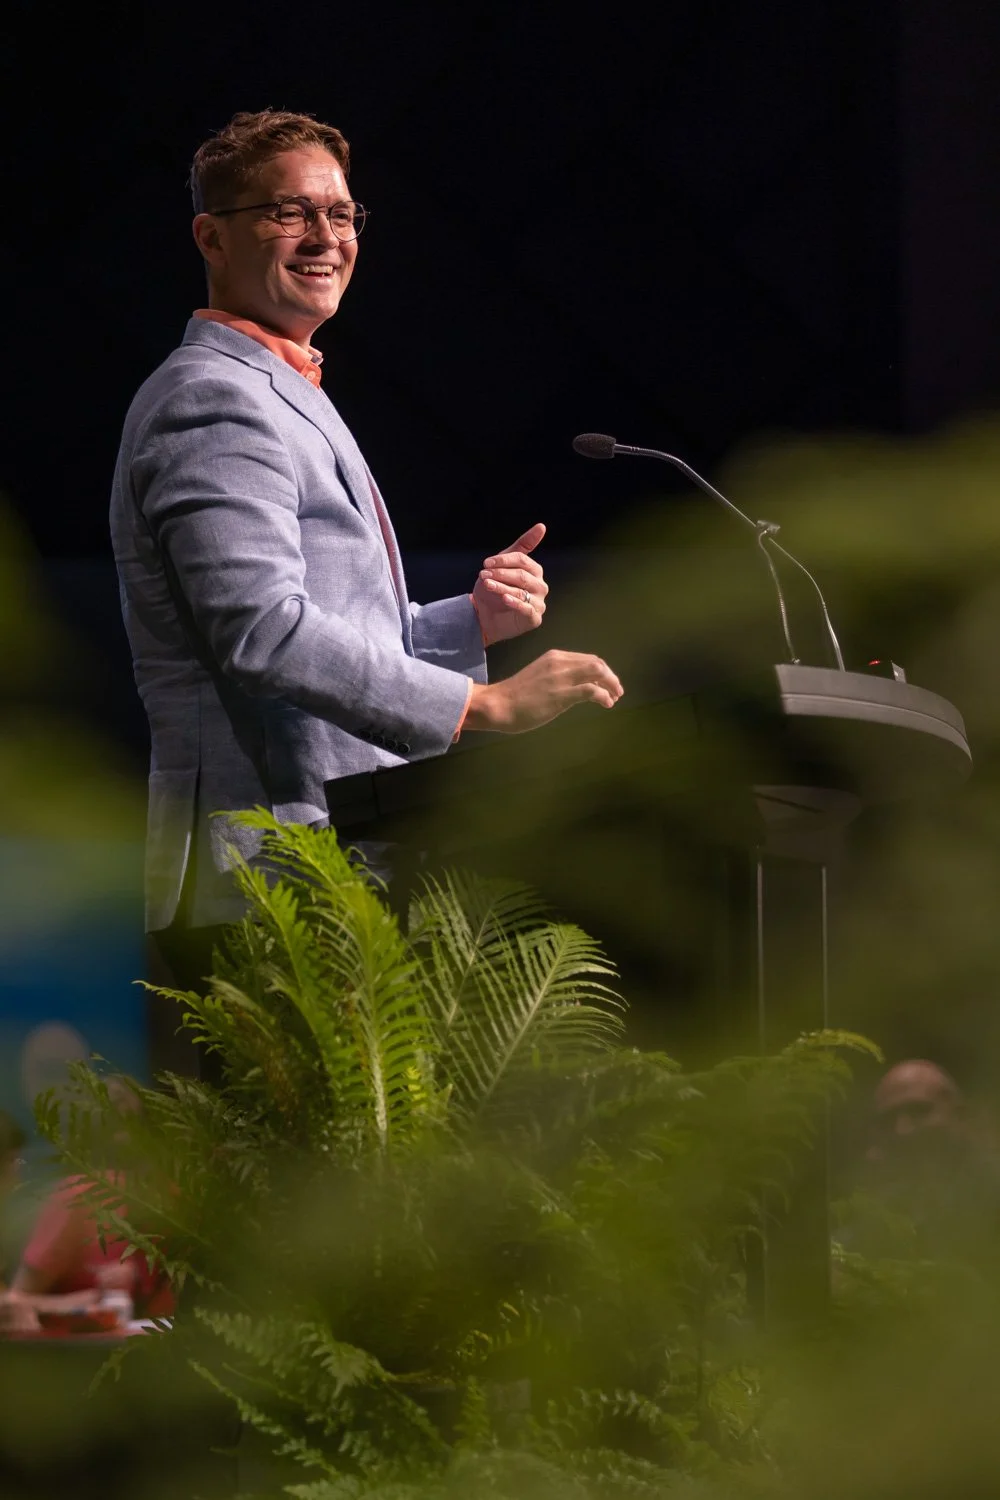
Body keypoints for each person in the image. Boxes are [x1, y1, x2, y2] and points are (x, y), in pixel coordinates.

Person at [109, 109, 624, 1016]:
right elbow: (263, 632)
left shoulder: (279, 386)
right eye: (288, 213)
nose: (325, 239)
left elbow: (324, 626)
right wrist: (481, 704)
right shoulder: (213, 402)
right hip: (263, 881)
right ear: (210, 236)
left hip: (321, 868)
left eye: (342, 215)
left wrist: (466, 624)